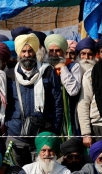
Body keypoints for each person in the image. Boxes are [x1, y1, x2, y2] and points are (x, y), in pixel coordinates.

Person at [4, 34, 66, 165]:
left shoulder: (47, 71)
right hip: (16, 133)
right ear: (19, 53)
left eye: (30, 50)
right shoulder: (9, 75)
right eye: (24, 51)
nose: (27, 54)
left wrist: (54, 131)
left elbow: (57, 103)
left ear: (35, 51)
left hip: (42, 132)